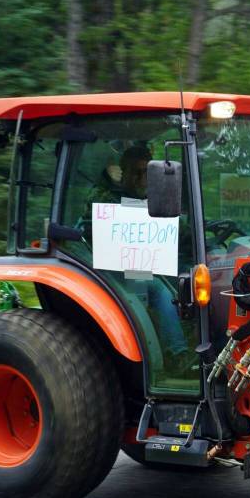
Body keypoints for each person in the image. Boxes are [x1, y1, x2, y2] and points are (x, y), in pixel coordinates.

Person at [85, 145, 189, 357]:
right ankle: (178, 352)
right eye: (137, 172)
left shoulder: (156, 198)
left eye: (147, 172)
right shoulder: (108, 196)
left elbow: (178, 228)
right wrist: (106, 179)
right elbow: (93, 215)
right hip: (116, 269)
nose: (142, 178)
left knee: (191, 276)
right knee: (162, 292)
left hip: (150, 264)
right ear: (124, 173)